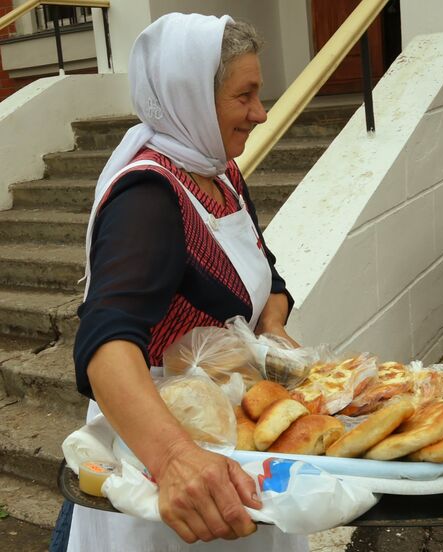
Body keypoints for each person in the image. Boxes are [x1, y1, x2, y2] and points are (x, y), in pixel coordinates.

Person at [59, 13, 308, 551]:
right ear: (190, 96)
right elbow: (105, 339)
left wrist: (272, 331)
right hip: (170, 465)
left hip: (225, 435)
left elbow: (266, 269)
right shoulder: (149, 199)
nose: (261, 114)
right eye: (245, 96)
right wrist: (175, 459)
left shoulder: (221, 173)